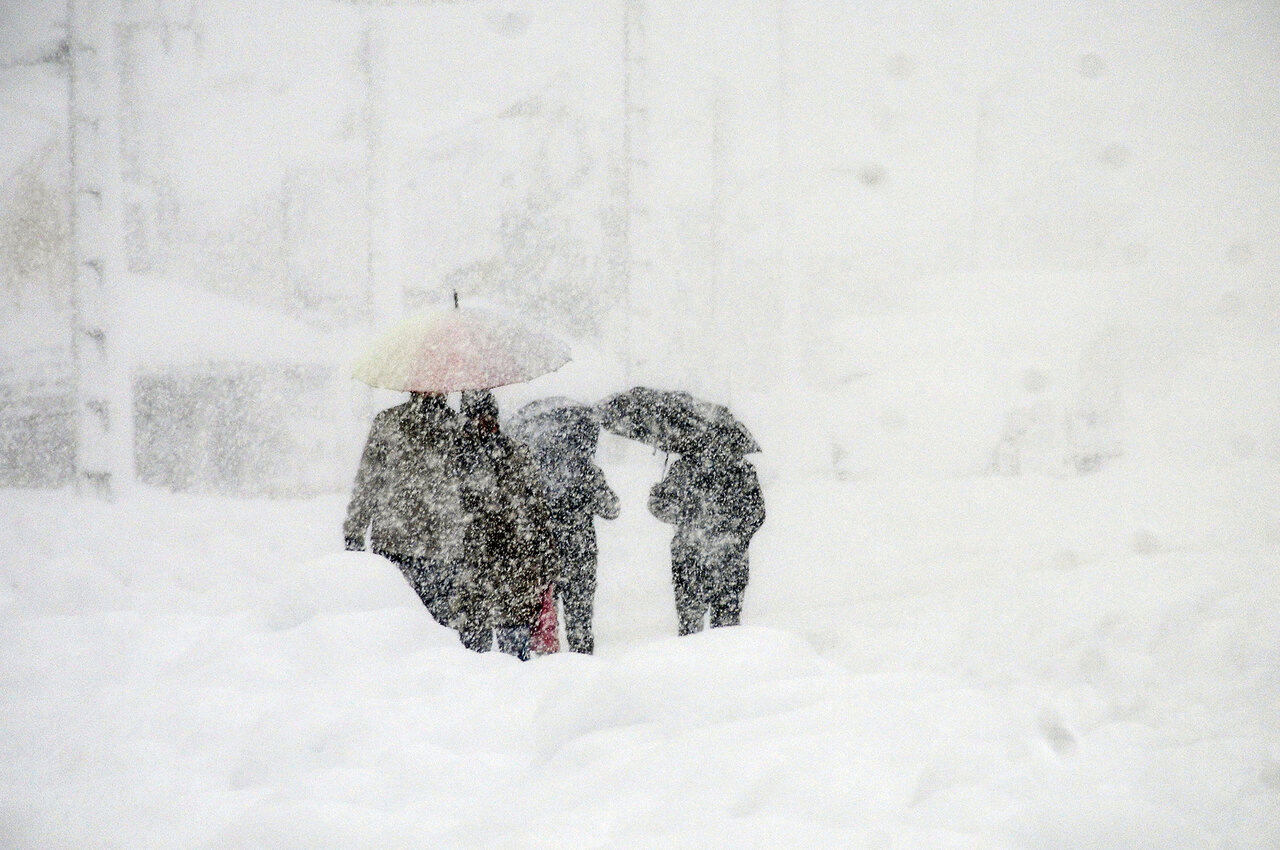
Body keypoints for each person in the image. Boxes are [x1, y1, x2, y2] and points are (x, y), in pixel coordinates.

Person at [343, 391, 466, 628]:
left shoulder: (389, 422)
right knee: (432, 629)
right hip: (431, 546)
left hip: (402, 543)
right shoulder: (457, 427)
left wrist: (355, 531)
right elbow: (368, 481)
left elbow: (368, 482)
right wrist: (354, 531)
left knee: (397, 624)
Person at [453, 390, 561, 660]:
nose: (484, 424)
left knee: (511, 653)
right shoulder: (456, 456)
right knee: (473, 654)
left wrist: (547, 558)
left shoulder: (515, 455)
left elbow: (536, 510)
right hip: (478, 570)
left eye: (488, 417)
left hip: (511, 570)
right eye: (477, 417)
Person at [648, 443, 765, 635]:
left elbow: (662, 509)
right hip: (730, 562)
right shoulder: (742, 468)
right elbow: (757, 514)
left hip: (690, 561)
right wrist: (735, 538)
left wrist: (659, 498)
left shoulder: (683, 468)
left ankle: (694, 656)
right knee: (727, 632)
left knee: (690, 632)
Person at [530, 438, 619, 654]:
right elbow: (611, 508)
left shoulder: (535, 468)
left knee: (545, 625)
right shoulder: (585, 468)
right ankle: (582, 666)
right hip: (579, 557)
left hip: (546, 558)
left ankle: (547, 668)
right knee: (579, 625)